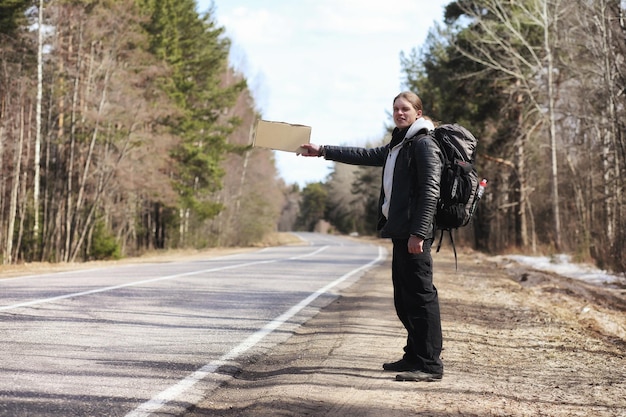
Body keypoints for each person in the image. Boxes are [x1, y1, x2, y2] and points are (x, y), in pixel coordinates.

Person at [299, 91, 444, 382]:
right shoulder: (399, 145)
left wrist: (419, 232)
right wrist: (322, 150)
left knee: (420, 297)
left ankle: (430, 364)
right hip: (401, 232)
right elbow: (364, 155)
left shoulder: (424, 144)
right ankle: (414, 355)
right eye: (396, 109)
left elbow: (430, 191)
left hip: (415, 235)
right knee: (404, 298)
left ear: (418, 112)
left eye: (405, 109)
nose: (399, 113)